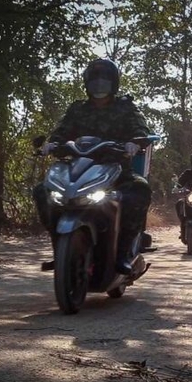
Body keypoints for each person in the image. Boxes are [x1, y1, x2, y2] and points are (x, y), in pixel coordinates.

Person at [33, 58, 152, 274]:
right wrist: (52, 144)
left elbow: (140, 130)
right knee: (42, 191)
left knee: (139, 190)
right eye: (94, 80)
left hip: (115, 168)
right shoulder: (77, 109)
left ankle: (123, 253)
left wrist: (135, 143)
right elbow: (60, 132)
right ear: (87, 83)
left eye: (104, 80)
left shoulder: (125, 107)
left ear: (114, 83)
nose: (99, 85)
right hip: (77, 168)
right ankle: (59, 249)